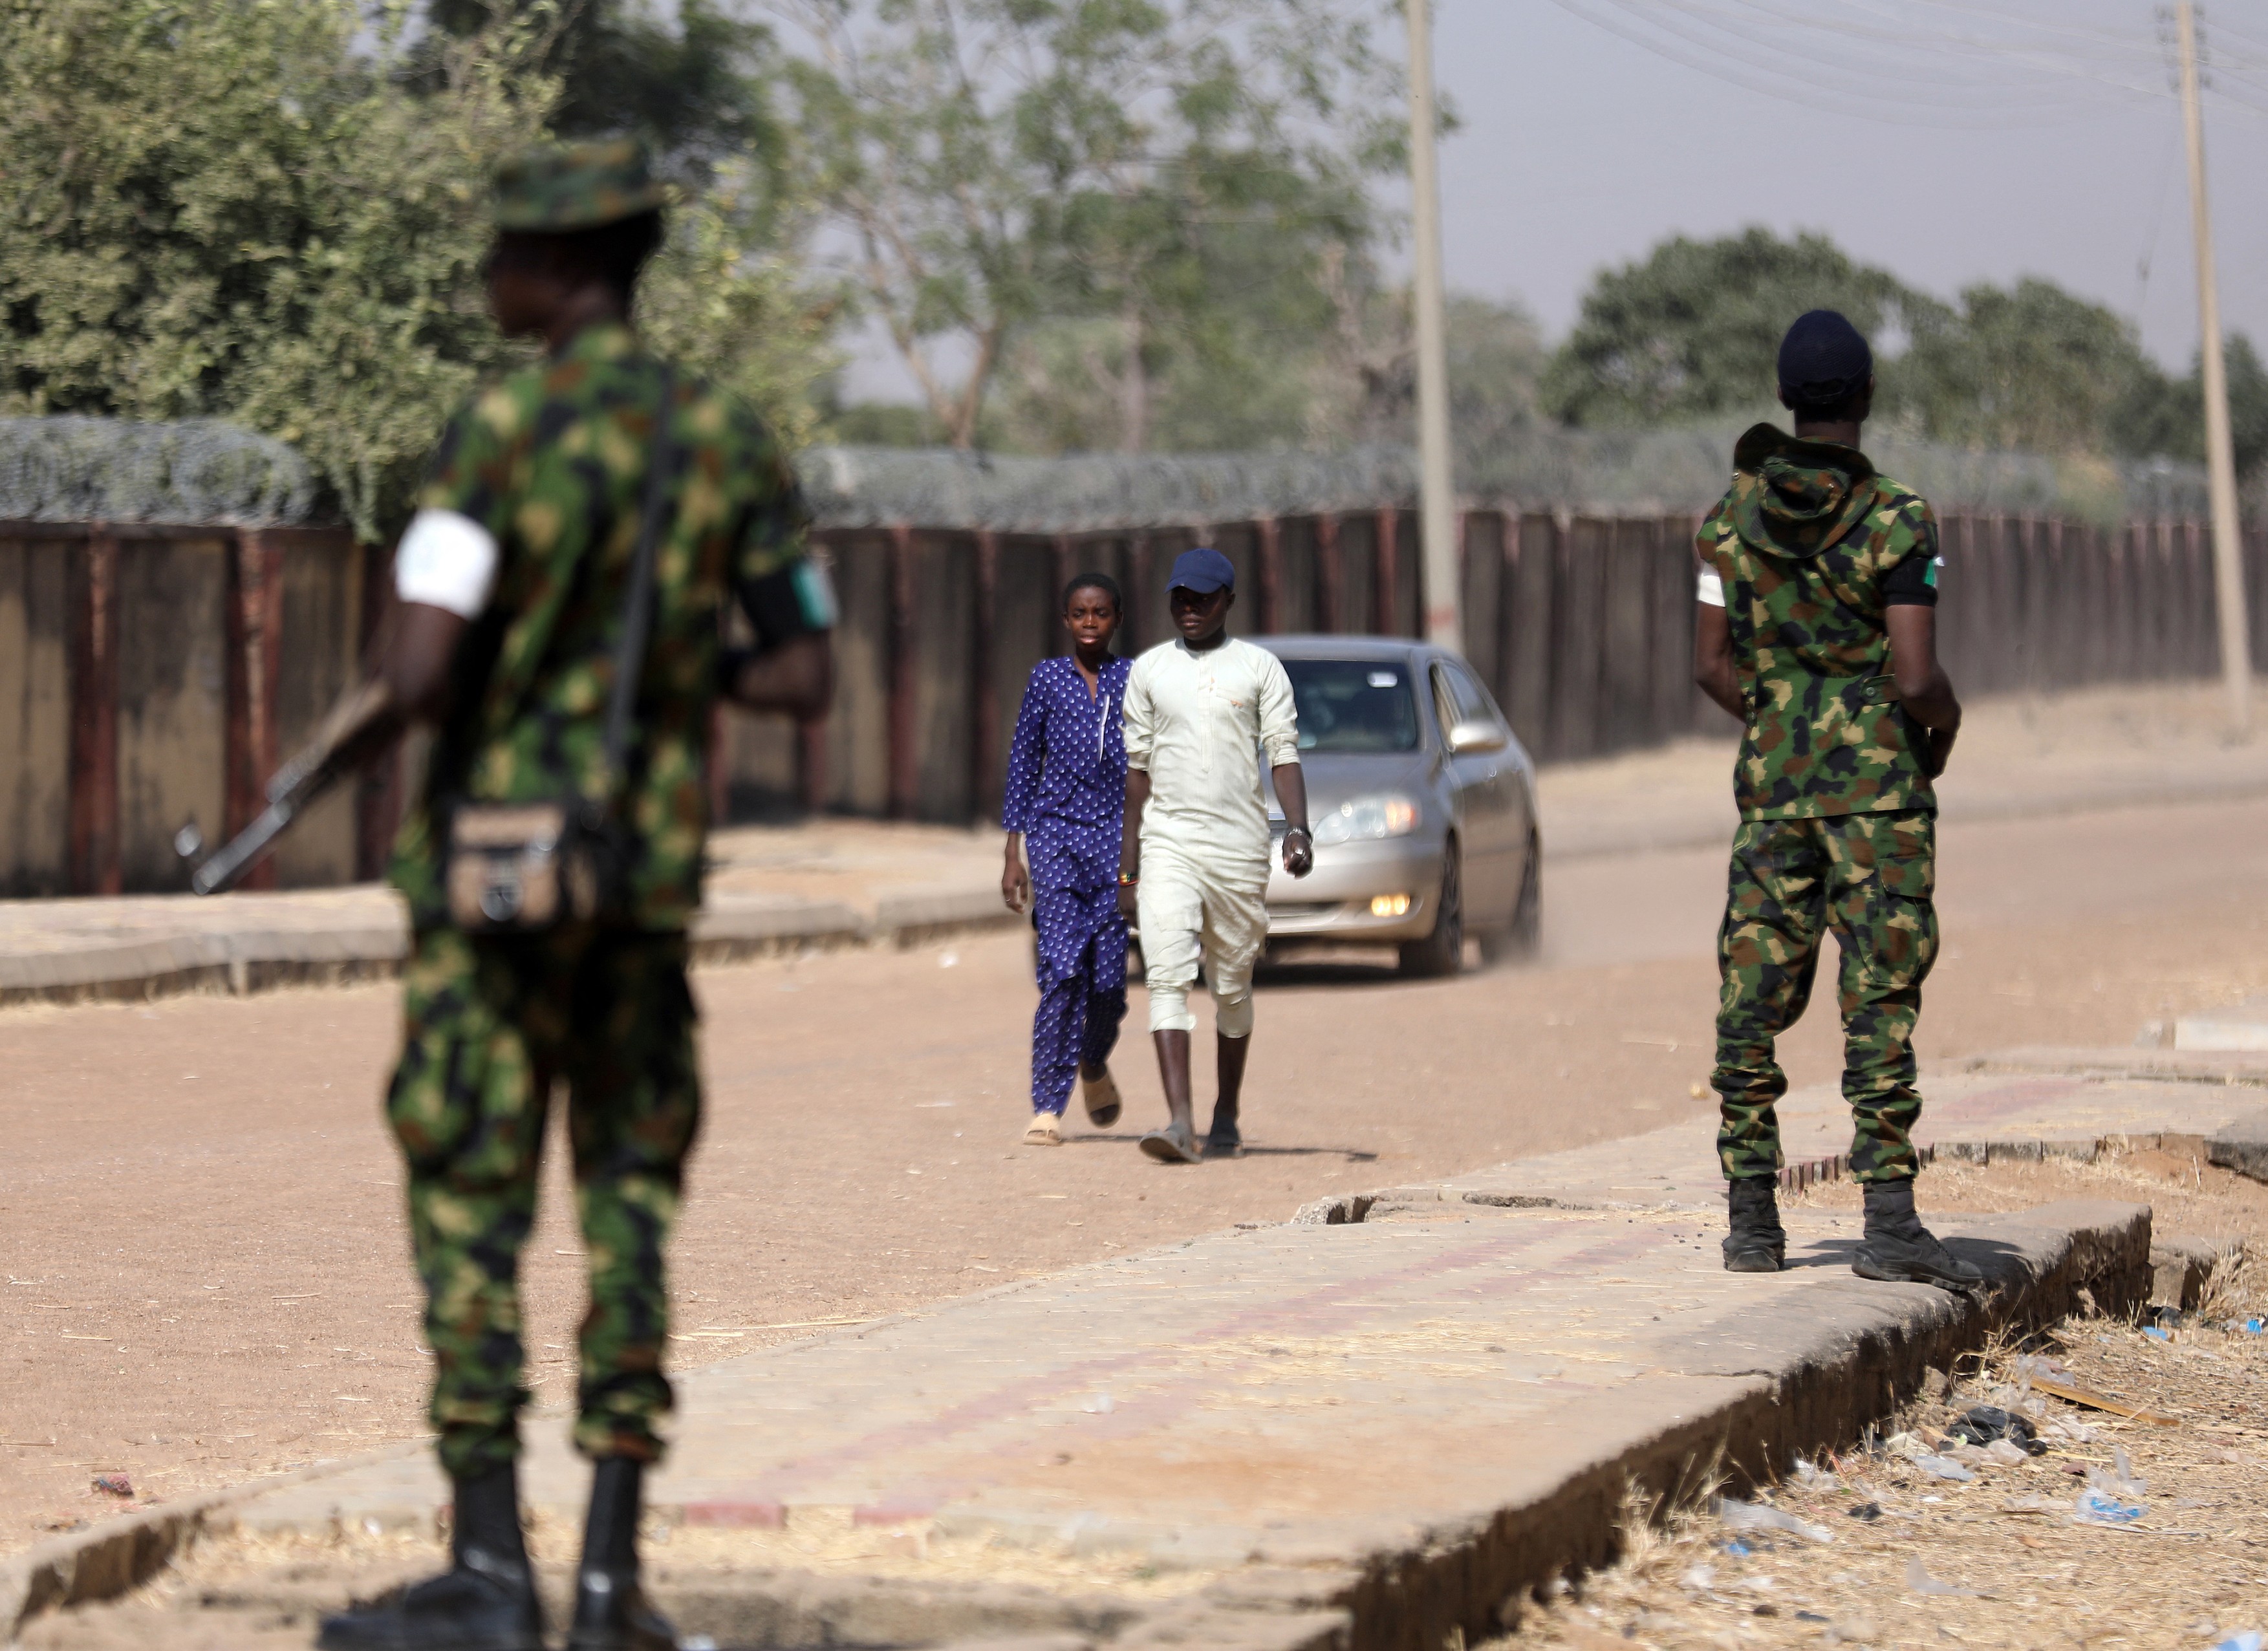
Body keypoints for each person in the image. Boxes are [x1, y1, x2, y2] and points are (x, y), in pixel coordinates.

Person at [317, 140, 835, 1651]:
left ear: (558, 270)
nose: (491, 277)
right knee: (627, 1203)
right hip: (636, 883)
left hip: (493, 886)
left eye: (505, 255)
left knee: (470, 1200)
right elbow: (802, 670)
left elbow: (419, 669)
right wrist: (675, 661)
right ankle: (609, 1578)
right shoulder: (727, 439)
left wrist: (378, 721)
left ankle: (490, 1567)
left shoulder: (496, 432)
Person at [1692, 308, 1978, 1291]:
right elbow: (1915, 676)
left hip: (1773, 800)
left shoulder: (1726, 523)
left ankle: (1751, 1222)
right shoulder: (1899, 519)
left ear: (1784, 398)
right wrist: (1942, 728)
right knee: (1879, 1005)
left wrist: (1784, 721)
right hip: (1879, 805)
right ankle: (1888, 1224)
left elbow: (1709, 666)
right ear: (1865, 397)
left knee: (1749, 1001)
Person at [1117, 546, 1312, 1164]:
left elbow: (1283, 753)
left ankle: (1225, 1111)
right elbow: (1136, 774)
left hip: (1238, 847)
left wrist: (1298, 829)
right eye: (1180, 597)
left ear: (1228, 600)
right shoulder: (1149, 670)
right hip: (1168, 842)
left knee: (1230, 986)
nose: (1189, 607)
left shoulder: (1258, 669)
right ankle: (1180, 1122)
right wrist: (1128, 867)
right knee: (1166, 975)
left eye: (1202, 597)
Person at [1000, 573, 1134, 1147]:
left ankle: (1092, 1060)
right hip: (1054, 836)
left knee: (1108, 983)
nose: (1089, 623)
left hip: (1116, 841)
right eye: (1079, 613)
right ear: (1065, 619)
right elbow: (1022, 760)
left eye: (1100, 613)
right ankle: (1046, 1106)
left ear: (1116, 618)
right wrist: (1012, 850)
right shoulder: (1047, 679)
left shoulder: (1134, 680)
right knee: (1061, 968)